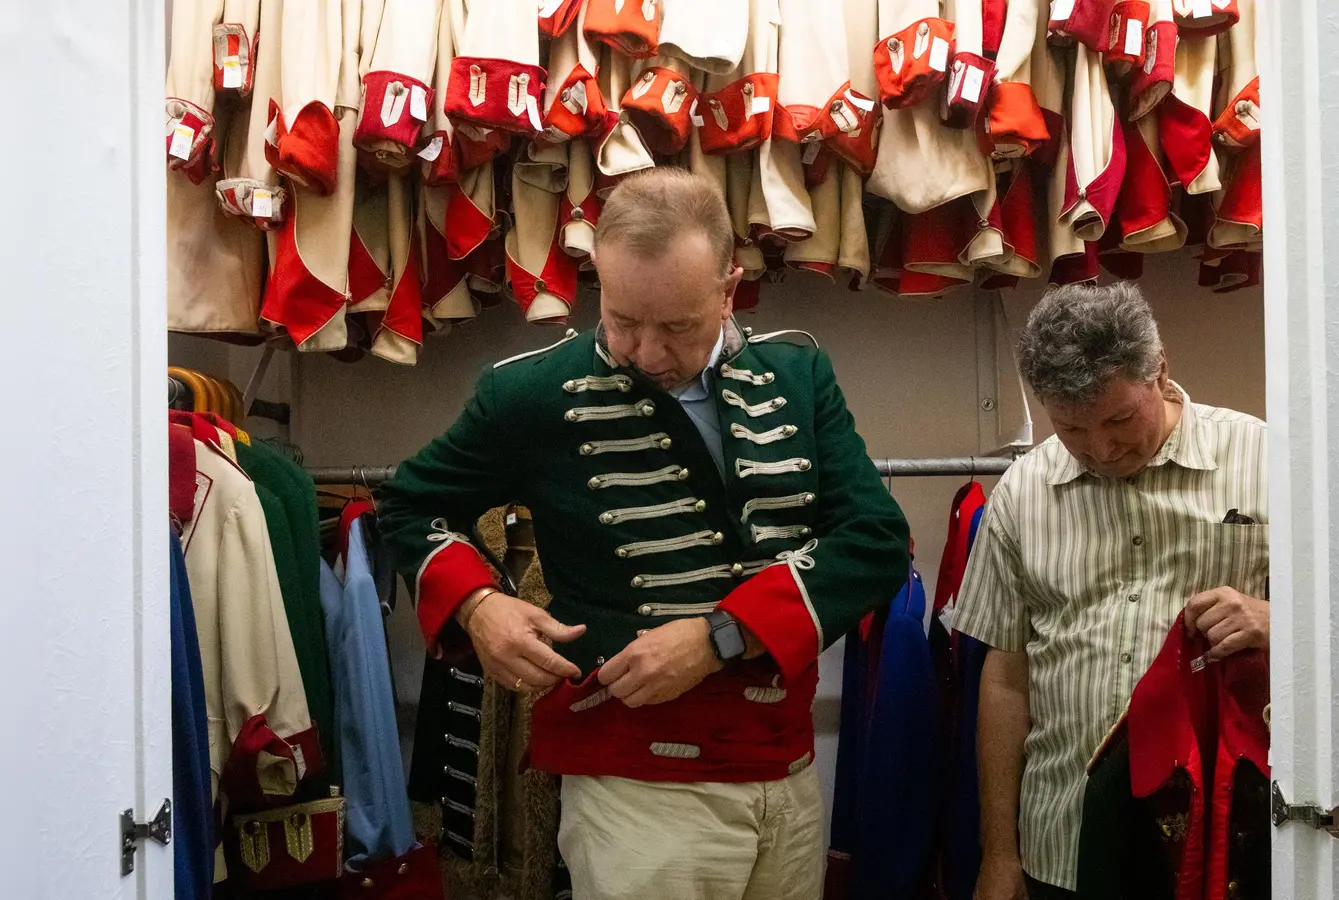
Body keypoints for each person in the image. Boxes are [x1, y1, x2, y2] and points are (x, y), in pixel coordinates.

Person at [376, 167, 911, 900]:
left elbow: (877, 540)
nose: (648, 354)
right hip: (635, 786)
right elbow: (408, 506)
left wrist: (724, 633)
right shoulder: (529, 394)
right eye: (623, 320)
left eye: (679, 328)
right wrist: (479, 605)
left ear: (728, 288)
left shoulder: (796, 374)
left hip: (786, 775)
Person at [948, 283, 1270, 900]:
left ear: (1161, 371)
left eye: (1120, 419)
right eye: (1071, 429)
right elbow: (1006, 678)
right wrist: (998, 855)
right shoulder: (1022, 492)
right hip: (1061, 841)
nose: (1101, 449)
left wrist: (1277, 620)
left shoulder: (1266, 459)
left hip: (1224, 841)